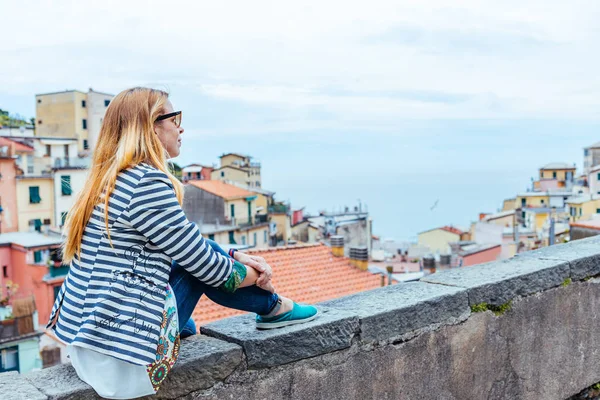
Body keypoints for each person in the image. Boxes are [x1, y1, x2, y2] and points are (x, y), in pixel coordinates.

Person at [47, 87, 318, 399]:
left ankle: (208, 321)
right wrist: (260, 277)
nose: (181, 126)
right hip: (123, 364)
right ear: (150, 127)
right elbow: (206, 266)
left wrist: (234, 253)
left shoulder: (110, 179)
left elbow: (183, 241)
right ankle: (274, 307)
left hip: (90, 348)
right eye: (174, 118)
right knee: (195, 268)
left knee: (190, 258)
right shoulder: (146, 182)